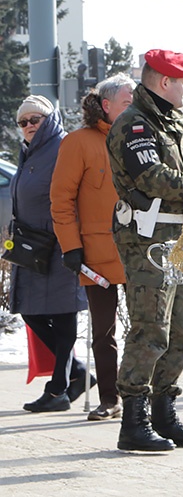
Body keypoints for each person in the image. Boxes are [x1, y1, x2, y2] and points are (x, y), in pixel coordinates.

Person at [106, 50, 183, 451]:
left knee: (180, 330)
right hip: (146, 241)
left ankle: (164, 414)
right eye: (182, 82)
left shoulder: (173, 122)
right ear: (164, 82)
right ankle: (134, 421)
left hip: (177, 238)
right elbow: (151, 178)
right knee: (151, 330)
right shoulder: (134, 125)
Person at [50, 74, 134, 421]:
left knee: (150, 330)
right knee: (103, 334)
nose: (134, 109)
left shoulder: (141, 136)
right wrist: (71, 247)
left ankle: (146, 400)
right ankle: (109, 398)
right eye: (128, 103)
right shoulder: (77, 142)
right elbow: (61, 200)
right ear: (106, 105)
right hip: (96, 255)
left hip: (139, 250)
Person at [11, 95, 89, 413]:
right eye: (23, 122)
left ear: (50, 119)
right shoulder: (30, 151)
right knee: (30, 310)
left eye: (35, 120)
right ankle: (79, 373)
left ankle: (58, 388)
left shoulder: (63, 146)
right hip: (32, 246)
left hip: (60, 241)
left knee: (62, 311)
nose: (29, 126)